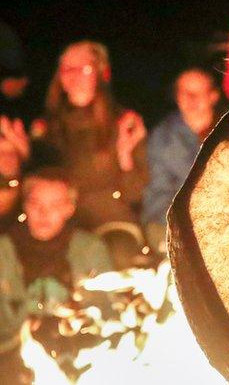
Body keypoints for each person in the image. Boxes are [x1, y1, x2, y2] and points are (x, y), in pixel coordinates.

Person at [28, 41, 148, 267]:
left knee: (114, 257)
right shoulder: (45, 129)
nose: (75, 76)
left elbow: (135, 195)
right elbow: (36, 185)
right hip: (61, 223)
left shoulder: (123, 123)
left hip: (112, 223)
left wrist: (124, 155)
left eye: (84, 69)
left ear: (102, 73)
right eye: (67, 69)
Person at [0, 167, 113, 374]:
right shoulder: (3, 252)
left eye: (55, 205)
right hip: (12, 360)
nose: (44, 213)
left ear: (69, 209)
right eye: (36, 204)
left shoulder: (90, 249)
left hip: (82, 356)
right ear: (25, 206)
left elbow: (107, 311)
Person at [142, 68, 221, 252]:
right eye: (185, 92)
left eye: (198, 92)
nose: (191, 98)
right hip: (177, 222)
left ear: (213, 96)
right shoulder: (162, 137)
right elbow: (159, 191)